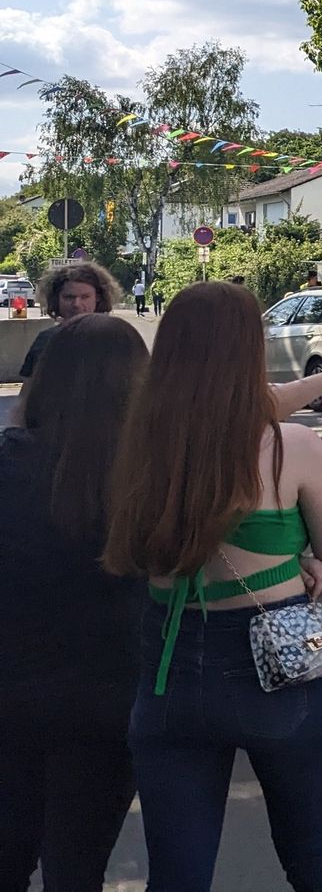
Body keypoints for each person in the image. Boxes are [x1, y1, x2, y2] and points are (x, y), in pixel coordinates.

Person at [103, 281, 322, 892]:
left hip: (169, 667)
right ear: (250, 352)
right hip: (277, 665)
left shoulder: (138, 447)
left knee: (178, 873)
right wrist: (299, 564)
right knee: (314, 852)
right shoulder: (292, 447)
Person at [0, 315, 149, 891]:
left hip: (10, 692)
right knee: (77, 868)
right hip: (108, 699)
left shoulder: (9, 462)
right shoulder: (149, 478)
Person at [19, 259, 121, 382]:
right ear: (56, 299)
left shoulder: (115, 340)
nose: (76, 304)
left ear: (98, 298)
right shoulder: (45, 340)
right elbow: (29, 389)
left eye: (85, 297)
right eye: (69, 297)